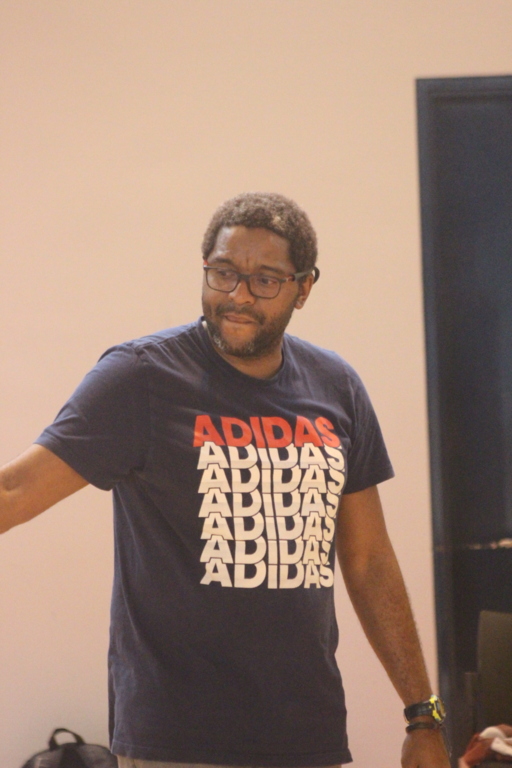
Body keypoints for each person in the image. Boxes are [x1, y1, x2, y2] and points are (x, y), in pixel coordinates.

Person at [0, 193, 449, 768]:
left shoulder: (336, 387)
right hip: (176, 741)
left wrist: (422, 715)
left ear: (304, 288)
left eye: (265, 280)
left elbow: (369, 561)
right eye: (224, 272)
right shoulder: (141, 377)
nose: (238, 296)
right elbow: (14, 492)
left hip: (306, 735)